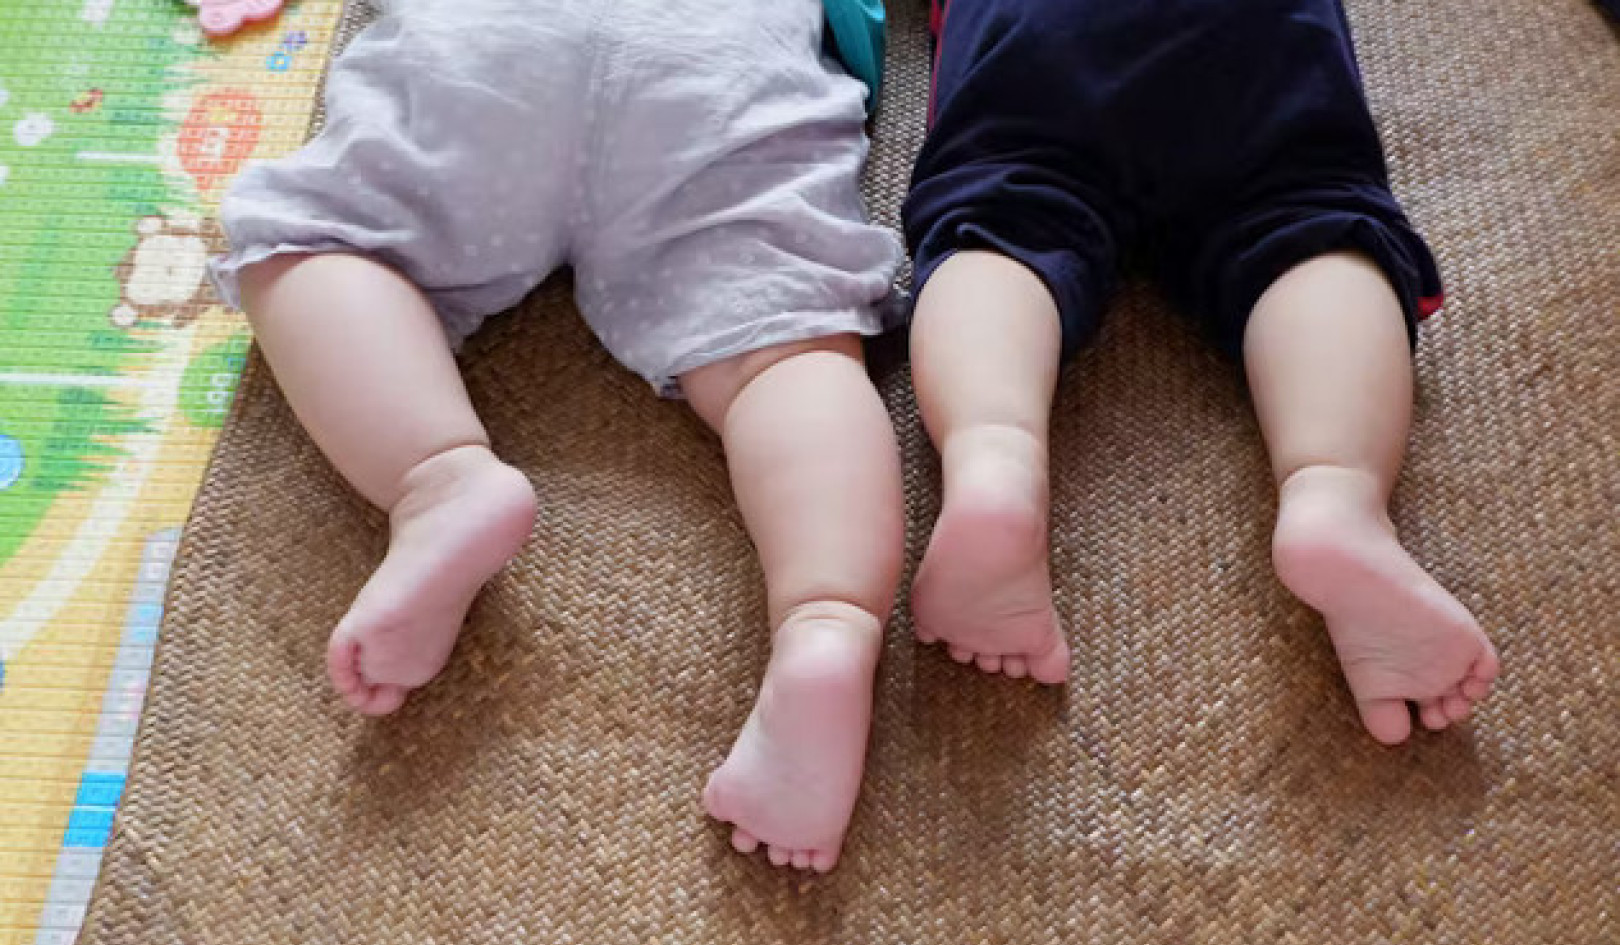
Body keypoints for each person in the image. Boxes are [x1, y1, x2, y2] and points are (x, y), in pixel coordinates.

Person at [214, 0, 906, 872]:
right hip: (720, 65)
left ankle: (439, 479)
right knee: (783, 350)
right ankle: (825, 622)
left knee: (313, 248)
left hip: (494, 46)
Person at [901, 0, 1499, 745]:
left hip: (1041, 37)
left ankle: (994, 462)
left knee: (1006, 219)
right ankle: (1335, 495)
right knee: (1302, 215)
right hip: (1251, 31)